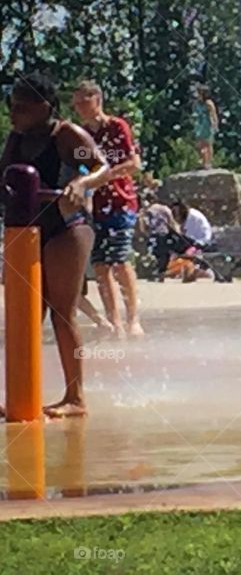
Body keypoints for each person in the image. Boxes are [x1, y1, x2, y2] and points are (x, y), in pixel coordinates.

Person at [0, 72, 117, 418]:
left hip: (68, 227)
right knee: (25, 315)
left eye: (21, 107)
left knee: (62, 311)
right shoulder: (15, 140)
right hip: (28, 231)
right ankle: (21, 393)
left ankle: (75, 398)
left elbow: (102, 167)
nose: (13, 113)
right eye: (11, 106)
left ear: (44, 107)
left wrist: (81, 183)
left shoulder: (66, 135)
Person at [72, 80, 145, 338]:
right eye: (76, 103)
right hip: (96, 206)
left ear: (97, 99)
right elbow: (81, 168)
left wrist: (105, 176)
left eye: (83, 101)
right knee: (101, 265)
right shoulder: (81, 134)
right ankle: (114, 322)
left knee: (121, 261)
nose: (79, 107)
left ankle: (133, 320)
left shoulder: (117, 127)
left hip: (121, 201)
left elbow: (133, 163)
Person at [170, 201, 214, 282]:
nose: (177, 216)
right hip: (197, 241)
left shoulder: (192, 217)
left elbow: (188, 236)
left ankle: (192, 271)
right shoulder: (189, 215)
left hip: (201, 241)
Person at [193, 84, 218, 169]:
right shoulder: (196, 103)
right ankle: (203, 160)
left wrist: (215, 125)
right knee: (200, 144)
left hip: (207, 124)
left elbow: (214, 115)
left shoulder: (208, 103)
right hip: (199, 124)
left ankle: (208, 162)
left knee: (207, 144)